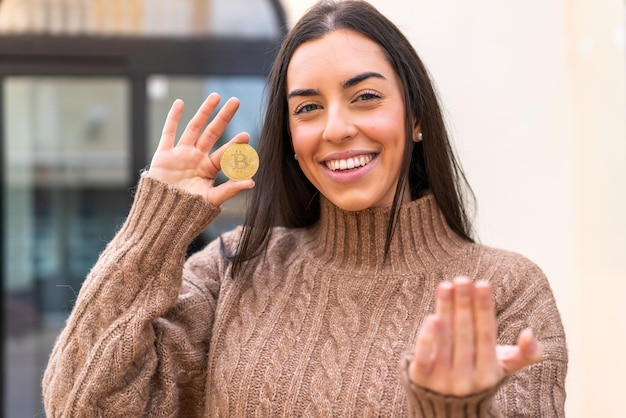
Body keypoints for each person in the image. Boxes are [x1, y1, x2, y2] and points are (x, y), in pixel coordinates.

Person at [42, 1, 567, 416]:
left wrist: (453, 411)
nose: (336, 128)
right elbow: (80, 405)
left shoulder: (508, 291)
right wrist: (153, 230)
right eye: (309, 107)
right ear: (292, 137)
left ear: (416, 119)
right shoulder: (233, 270)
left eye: (365, 97)